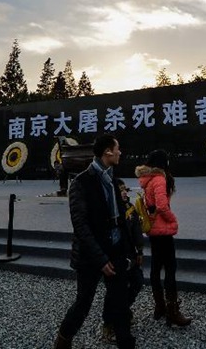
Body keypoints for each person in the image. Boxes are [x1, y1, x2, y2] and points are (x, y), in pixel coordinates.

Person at [53, 134, 136, 349]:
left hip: (116, 251)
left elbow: (121, 220)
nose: (120, 152)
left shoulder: (114, 179)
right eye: (117, 148)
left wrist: (130, 250)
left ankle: (125, 342)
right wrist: (100, 259)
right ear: (108, 151)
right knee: (83, 303)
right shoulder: (81, 182)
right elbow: (80, 226)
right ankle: (63, 340)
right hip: (91, 256)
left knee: (119, 302)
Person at [135, 149, 191, 327]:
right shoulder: (159, 179)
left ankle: (159, 306)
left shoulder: (147, 180)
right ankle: (172, 311)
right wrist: (173, 220)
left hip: (153, 230)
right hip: (163, 230)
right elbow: (161, 206)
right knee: (170, 269)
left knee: (155, 267)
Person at [99, 178, 144, 344]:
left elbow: (137, 231)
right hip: (115, 257)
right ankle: (108, 323)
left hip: (131, 255)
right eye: (120, 190)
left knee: (138, 282)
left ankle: (123, 310)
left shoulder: (130, 209)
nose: (125, 192)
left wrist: (139, 251)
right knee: (113, 292)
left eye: (125, 189)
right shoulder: (110, 212)